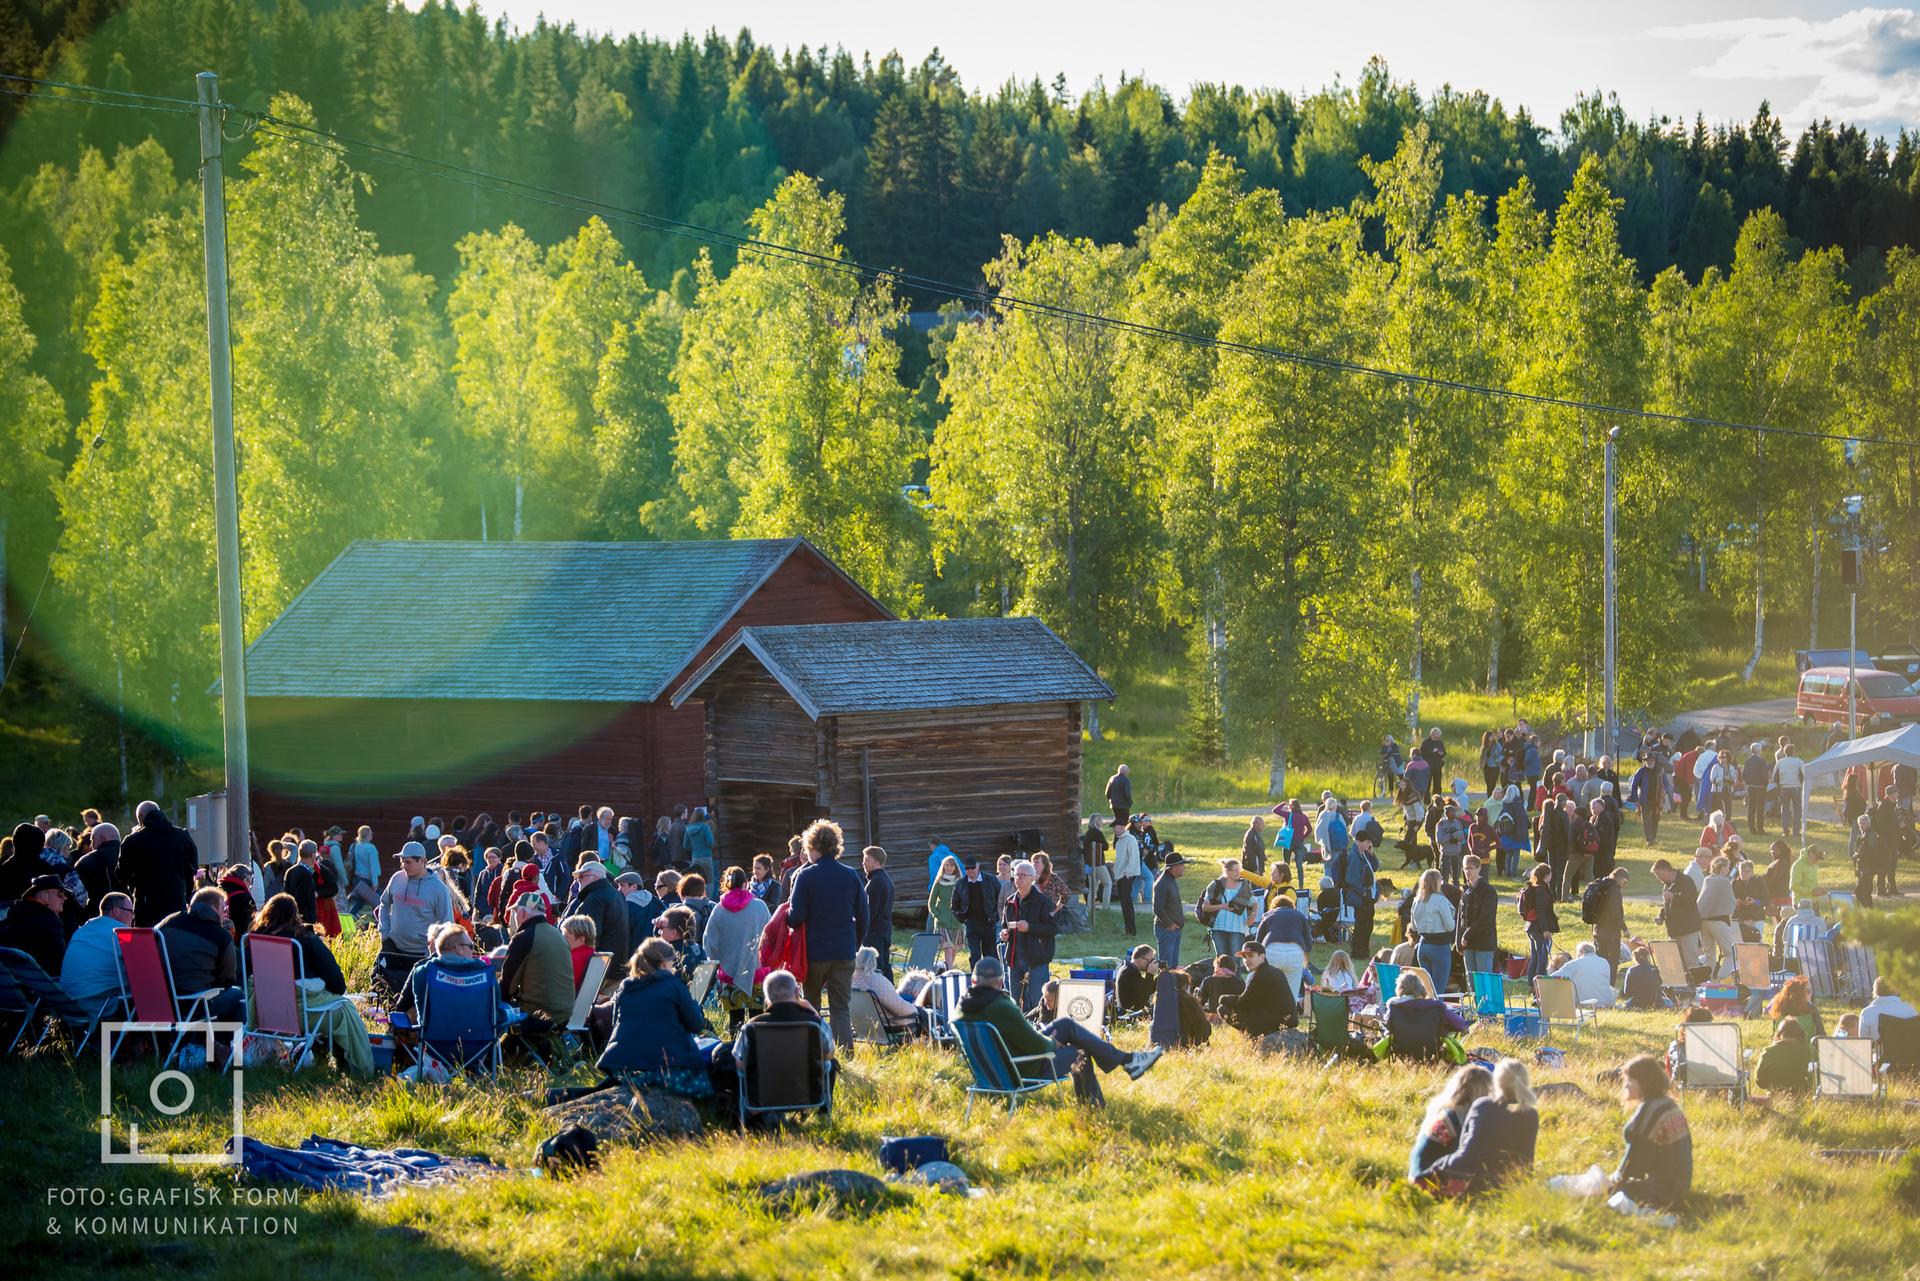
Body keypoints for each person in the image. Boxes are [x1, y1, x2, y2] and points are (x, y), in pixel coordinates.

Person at [953, 956, 1161, 1108]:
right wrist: (1052, 1044)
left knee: (1064, 1025)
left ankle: (1127, 1060)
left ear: (973, 981)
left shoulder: (961, 1010)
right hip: (1022, 1071)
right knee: (1080, 1052)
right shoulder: (1001, 1006)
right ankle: (1095, 1106)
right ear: (1000, 982)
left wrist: (1048, 1039)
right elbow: (1037, 1045)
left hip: (993, 1071)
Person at [598, 937, 725, 1096]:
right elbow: (696, 1025)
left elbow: (615, 1024)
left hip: (624, 1068)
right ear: (664, 963)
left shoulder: (625, 988)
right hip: (666, 1066)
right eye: (673, 962)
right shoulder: (673, 985)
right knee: (709, 1086)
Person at [785, 818, 869, 1053]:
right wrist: (855, 943)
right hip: (843, 950)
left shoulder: (806, 876)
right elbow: (864, 915)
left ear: (814, 847)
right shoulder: (851, 875)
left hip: (814, 952)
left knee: (810, 1005)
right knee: (840, 1008)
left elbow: (796, 917)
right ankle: (845, 1055)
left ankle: (814, 1052)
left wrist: (786, 916)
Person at [1416, 1058, 1538, 1197]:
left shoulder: (1483, 1106)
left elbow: (1465, 1149)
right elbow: (1526, 1160)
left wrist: (1438, 1167)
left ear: (1497, 1081)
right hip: (1503, 1185)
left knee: (1421, 1184)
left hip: (1468, 1178)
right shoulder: (1530, 1115)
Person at [1611, 1055, 1693, 1210]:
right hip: (1681, 1185)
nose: (1625, 1086)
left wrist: (1614, 1181)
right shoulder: (1668, 1104)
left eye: (1629, 1081)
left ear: (1644, 1083)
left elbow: (1633, 1164)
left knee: (1608, 1192)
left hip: (1663, 1191)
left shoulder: (1649, 1110)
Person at [157, 886, 243, 1021]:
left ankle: (206, 1039)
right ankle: (218, 1041)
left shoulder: (170, 921)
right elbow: (227, 979)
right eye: (223, 908)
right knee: (238, 994)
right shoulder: (221, 936)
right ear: (213, 908)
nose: (225, 913)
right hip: (193, 1003)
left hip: (160, 998)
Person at [1409, 1064, 1494, 1182]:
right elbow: (1466, 1155)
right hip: (1428, 1178)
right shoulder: (1452, 1118)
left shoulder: (1443, 1109)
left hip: (1419, 1174)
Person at [118, 801, 197, 928]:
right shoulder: (182, 836)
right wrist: (186, 895)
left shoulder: (133, 841)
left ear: (141, 818)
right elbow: (192, 868)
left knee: (148, 943)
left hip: (146, 905)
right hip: (176, 901)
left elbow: (122, 874)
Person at [500, 891, 574, 1026]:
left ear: (522, 913)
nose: (515, 917)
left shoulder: (523, 937)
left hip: (539, 1015)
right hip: (566, 1014)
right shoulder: (558, 935)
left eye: (515, 912)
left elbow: (506, 988)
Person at [703, 865, 772, 997]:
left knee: (734, 1015)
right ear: (746, 884)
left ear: (726, 884)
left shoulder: (719, 909)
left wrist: (715, 960)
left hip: (728, 969)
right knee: (757, 1014)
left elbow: (709, 940)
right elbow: (770, 935)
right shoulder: (760, 906)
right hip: (755, 967)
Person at [1000, 858, 1059, 1011]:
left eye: (1022, 875)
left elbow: (1053, 928)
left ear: (1032, 878)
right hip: (1014, 959)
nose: (1018, 878)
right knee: (1015, 1003)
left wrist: (1030, 927)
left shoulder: (1044, 902)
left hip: (1036, 960)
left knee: (1037, 1002)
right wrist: (1004, 934)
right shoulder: (1010, 901)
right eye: (1017, 875)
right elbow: (1004, 926)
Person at [1220, 939, 1297, 1034]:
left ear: (1262, 957)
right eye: (1244, 957)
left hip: (1278, 1023)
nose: (1246, 960)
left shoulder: (1261, 974)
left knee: (1222, 1009)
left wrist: (1222, 998)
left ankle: (1252, 1036)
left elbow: (1242, 1003)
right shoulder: (1272, 970)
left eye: (1251, 956)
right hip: (1283, 1019)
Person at [0, 874, 70, 976]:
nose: (65, 898)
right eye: (60, 894)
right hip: (48, 985)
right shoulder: (50, 922)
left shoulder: (14, 917)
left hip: (20, 982)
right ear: (44, 896)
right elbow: (61, 962)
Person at [1198, 858, 1259, 961]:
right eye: (1234, 870)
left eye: (1238, 870)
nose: (1237, 872)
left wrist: (1253, 915)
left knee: (1235, 961)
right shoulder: (1215, 885)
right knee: (1221, 960)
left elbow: (1254, 903)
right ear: (1227, 871)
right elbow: (1205, 907)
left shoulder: (1243, 886)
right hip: (1218, 927)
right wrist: (1223, 906)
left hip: (1237, 928)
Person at [851, 946, 921, 1032]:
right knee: (927, 1015)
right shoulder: (877, 980)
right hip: (888, 1026)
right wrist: (916, 1009)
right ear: (873, 961)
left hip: (860, 1026)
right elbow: (898, 1007)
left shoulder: (849, 981)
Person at [1409, 869, 1457, 993]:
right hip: (1440, 946)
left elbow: (1414, 927)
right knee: (1438, 989)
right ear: (1437, 882)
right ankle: (1435, 1011)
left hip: (1423, 945)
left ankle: (1425, 1011)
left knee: (1427, 988)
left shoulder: (1417, 900)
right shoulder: (1440, 900)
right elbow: (1450, 926)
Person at [1652, 858, 1703, 972]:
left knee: (1690, 961)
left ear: (1665, 870)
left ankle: (1693, 987)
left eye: (1658, 874)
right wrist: (1660, 916)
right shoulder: (1666, 885)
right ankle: (1680, 987)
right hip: (1674, 930)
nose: (1658, 878)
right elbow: (1665, 905)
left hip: (1688, 929)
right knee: (1676, 961)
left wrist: (1674, 896)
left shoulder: (1686, 880)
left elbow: (1691, 898)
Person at [1696, 855, 1739, 979]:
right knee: (1730, 954)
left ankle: (1708, 981)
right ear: (1722, 868)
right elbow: (1731, 902)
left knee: (1709, 956)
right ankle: (1722, 978)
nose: (1728, 870)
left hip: (1703, 923)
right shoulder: (1724, 881)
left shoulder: (1707, 879)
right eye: (1727, 867)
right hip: (1719, 922)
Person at [952, 858, 1002, 966]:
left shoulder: (991, 880)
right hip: (971, 924)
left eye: (972, 868)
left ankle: (992, 979)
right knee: (975, 954)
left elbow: (1001, 901)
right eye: (967, 868)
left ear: (978, 866)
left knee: (990, 955)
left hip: (988, 924)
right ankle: (975, 979)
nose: (970, 870)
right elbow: (954, 904)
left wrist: (995, 917)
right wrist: (961, 918)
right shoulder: (961, 883)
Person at [1456, 855, 1498, 978]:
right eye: (1465, 868)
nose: (1468, 871)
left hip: (1483, 944)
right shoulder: (1466, 890)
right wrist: (1458, 942)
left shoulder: (1488, 891)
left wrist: (1466, 935)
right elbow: (1461, 918)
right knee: (1471, 983)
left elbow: (1486, 919)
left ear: (1479, 868)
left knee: (1484, 981)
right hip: (1468, 945)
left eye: (1471, 868)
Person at [1517, 863, 1558, 980]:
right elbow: (1541, 911)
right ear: (1547, 875)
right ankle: (1539, 983)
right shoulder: (1541, 890)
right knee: (1542, 957)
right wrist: (1545, 929)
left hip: (1530, 927)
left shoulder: (1534, 889)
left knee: (1535, 957)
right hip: (1538, 928)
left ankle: (1531, 984)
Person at [860, 846, 896, 980]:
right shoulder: (886, 879)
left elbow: (870, 911)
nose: (863, 863)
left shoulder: (876, 882)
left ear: (876, 862)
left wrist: (861, 930)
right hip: (884, 930)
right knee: (885, 966)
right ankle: (891, 995)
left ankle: (881, 998)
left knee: (876, 968)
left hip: (874, 932)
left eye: (866, 860)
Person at [1547, 941, 1617, 1008]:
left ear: (1581, 952)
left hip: (1583, 1003)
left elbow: (1552, 978)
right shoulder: (1604, 962)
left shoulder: (1575, 963)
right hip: (1606, 1003)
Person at [1591, 867, 1630, 985]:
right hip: (1611, 933)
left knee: (1601, 960)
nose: (1624, 885)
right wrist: (1624, 928)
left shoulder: (1602, 886)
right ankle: (1610, 986)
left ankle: (1600, 984)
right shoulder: (1614, 891)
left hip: (1598, 930)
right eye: (1625, 881)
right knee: (1612, 962)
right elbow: (1615, 913)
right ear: (1620, 878)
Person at [1755, 1018, 1814, 1093]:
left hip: (1774, 1099)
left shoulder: (1768, 1052)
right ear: (1800, 1033)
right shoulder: (1809, 1051)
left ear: (1779, 1034)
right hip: (1803, 1098)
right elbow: (1815, 1078)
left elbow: (1760, 1081)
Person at [1152, 851, 1189, 967]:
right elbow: (1157, 907)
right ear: (1173, 868)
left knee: (1172, 965)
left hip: (1172, 930)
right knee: (1166, 966)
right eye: (1181, 865)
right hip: (1166, 930)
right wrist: (1169, 924)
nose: (1184, 868)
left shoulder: (1170, 881)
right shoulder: (1163, 883)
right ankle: (1164, 985)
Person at [927, 855, 964, 969]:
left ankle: (944, 970)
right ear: (943, 867)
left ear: (955, 867)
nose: (949, 867)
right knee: (947, 951)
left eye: (951, 865)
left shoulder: (960, 882)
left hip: (957, 922)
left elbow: (965, 900)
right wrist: (939, 916)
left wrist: (962, 915)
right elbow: (931, 903)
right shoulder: (938, 882)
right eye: (946, 865)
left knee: (952, 953)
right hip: (943, 923)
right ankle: (950, 975)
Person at [1108, 818, 1141, 937]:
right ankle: (1128, 929)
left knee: (1127, 903)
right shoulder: (1119, 841)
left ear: (1121, 827)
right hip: (1120, 876)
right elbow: (1119, 860)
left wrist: (1129, 872)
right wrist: (1116, 876)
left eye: (1115, 827)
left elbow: (1133, 857)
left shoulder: (1130, 839)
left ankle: (1132, 930)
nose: (1113, 829)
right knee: (1124, 903)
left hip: (1128, 875)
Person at [1620, 944, 1665, 1010]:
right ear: (1648, 957)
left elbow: (1626, 992)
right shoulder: (1656, 969)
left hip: (1637, 1002)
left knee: (1624, 1005)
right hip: (1656, 1002)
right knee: (1669, 1002)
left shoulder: (1631, 970)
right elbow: (1662, 986)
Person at [1116, 944, 1157, 1015]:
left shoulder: (1128, 967)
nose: (1151, 963)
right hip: (1130, 1015)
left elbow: (1147, 989)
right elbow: (1144, 995)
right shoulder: (1129, 972)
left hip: (1129, 1012)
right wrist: (1150, 974)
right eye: (1150, 960)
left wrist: (1161, 976)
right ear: (1140, 958)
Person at [560, 914, 598, 990]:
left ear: (581, 940)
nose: (562, 940)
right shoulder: (594, 956)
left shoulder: (572, 959)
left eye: (566, 937)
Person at [1079, 817, 1110, 908]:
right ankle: (1106, 906)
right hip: (1098, 862)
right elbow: (1106, 846)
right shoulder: (1097, 832)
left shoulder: (1088, 833)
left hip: (1089, 863)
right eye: (1100, 820)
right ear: (1096, 822)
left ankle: (1089, 906)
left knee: (1093, 887)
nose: (1102, 822)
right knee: (1108, 883)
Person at [1105, 763, 1133, 829]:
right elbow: (1127, 794)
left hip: (1114, 805)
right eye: (1127, 771)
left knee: (1117, 822)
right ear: (1125, 771)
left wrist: (1111, 800)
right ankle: (1123, 837)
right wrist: (1130, 802)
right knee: (1124, 824)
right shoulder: (1126, 780)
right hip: (1123, 806)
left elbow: (1107, 793)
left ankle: (1116, 836)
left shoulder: (1112, 778)